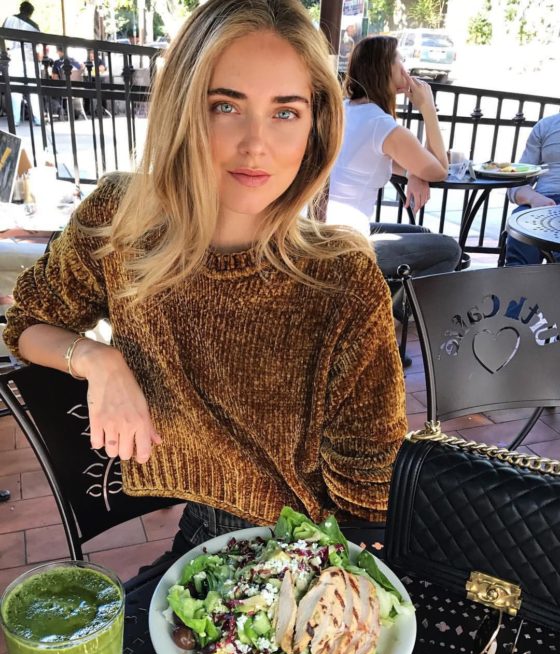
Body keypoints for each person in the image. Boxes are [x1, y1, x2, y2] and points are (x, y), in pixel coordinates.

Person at [4, 0, 407, 553]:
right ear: (184, 108)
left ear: (316, 125)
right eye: (225, 106)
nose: (255, 144)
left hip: (315, 548)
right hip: (200, 537)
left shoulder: (342, 278)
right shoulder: (121, 218)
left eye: (285, 112)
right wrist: (97, 359)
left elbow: (371, 492)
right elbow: (27, 321)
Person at [326, 36, 461, 324]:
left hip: (327, 230)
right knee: (450, 249)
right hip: (346, 245)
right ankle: (379, 318)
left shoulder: (346, 108)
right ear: (383, 69)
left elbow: (411, 165)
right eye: (399, 60)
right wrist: (428, 108)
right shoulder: (381, 125)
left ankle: (378, 305)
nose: (405, 67)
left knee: (422, 234)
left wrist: (415, 172)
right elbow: (440, 170)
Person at [505, 113, 560, 266]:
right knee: (521, 229)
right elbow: (517, 182)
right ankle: (518, 286)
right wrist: (534, 199)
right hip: (544, 202)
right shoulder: (546, 126)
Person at [1, 1, 42, 126]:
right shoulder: (34, 25)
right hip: (29, 57)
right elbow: (39, 46)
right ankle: (38, 118)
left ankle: (15, 119)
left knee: (15, 89)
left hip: (15, 56)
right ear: (30, 13)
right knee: (34, 89)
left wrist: (4, 52)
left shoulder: (9, 20)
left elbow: (1, 36)